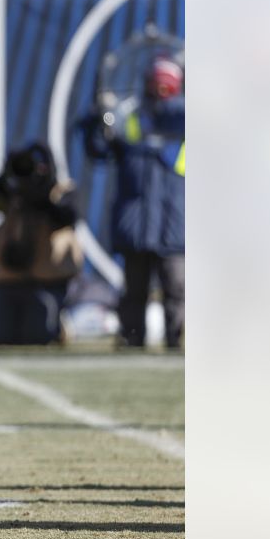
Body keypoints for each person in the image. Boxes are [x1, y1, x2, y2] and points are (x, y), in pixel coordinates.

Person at [86, 54, 184, 349]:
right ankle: (131, 339)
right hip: (137, 224)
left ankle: (177, 341)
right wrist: (97, 119)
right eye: (156, 85)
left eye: (166, 86)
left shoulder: (187, 119)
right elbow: (100, 149)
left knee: (177, 288)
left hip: (173, 224)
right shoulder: (130, 117)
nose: (160, 92)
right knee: (134, 291)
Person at [0, 143, 82, 345]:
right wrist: (4, 178)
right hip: (9, 280)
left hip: (48, 282)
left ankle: (59, 324)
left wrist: (41, 196)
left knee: (37, 336)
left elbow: (69, 218)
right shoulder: (11, 194)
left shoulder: (62, 191)